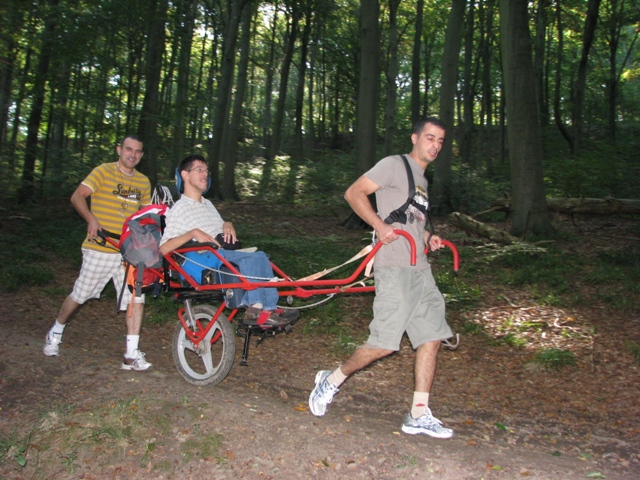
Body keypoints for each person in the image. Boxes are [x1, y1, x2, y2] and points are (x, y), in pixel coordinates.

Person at [309, 117, 454, 438]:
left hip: (421, 269)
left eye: (440, 141)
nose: (435, 145)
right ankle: (329, 380)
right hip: (394, 267)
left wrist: (429, 236)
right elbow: (354, 192)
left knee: (431, 337)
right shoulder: (393, 165)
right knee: (385, 343)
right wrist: (379, 225)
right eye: (430, 137)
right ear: (415, 138)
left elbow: (414, 220)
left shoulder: (422, 182)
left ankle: (418, 413)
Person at [43, 135, 153, 371]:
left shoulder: (144, 182)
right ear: (119, 150)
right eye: (128, 149)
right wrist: (91, 218)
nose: (132, 154)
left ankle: (131, 353)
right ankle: (56, 330)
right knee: (81, 294)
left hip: (129, 250)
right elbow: (77, 196)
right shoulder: (103, 171)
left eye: (137, 151)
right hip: (100, 245)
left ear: (141, 156)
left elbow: (145, 217)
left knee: (136, 298)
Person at [159, 154, 297, 326]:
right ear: (184, 175)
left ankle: (269, 307)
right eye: (199, 170)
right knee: (252, 258)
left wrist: (226, 223)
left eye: (206, 171)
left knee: (261, 256)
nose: (205, 175)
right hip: (202, 259)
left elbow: (218, 229)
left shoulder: (207, 204)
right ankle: (255, 309)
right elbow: (164, 249)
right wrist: (193, 233)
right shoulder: (179, 209)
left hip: (220, 252)